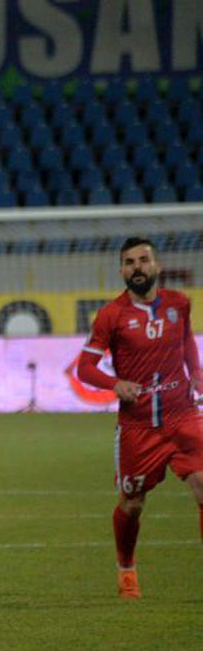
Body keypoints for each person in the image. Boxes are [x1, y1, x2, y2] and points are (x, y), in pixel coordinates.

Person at [76, 236, 203, 599]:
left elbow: (187, 343)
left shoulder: (179, 304)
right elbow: (84, 368)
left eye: (144, 260)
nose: (137, 267)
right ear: (121, 271)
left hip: (184, 416)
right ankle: (126, 567)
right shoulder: (111, 315)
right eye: (129, 262)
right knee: (132, 504)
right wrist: (114, 384)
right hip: (138, 427)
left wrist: (196, 374)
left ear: (157, 266)